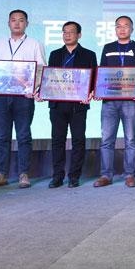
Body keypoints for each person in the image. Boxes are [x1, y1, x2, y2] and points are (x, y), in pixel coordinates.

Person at [0, 9, 46, 189]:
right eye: (13, 20)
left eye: (21, 20)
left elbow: (41, 68)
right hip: (1, 97)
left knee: (23, 135)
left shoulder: (35, 44)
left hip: (23, 97)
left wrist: (33, 88)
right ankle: (1, 174)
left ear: (27, 23)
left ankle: (24, 174)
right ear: (8, 23)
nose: (17, 23)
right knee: (1, 136)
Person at [93, 15, 135, 188]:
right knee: (106, 139)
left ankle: (130, 175)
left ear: (132, 29)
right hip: (109, 101)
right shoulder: (108, 48)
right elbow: (102, 72)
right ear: (115, 29)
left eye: (126, 26)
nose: (122, 29)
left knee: (131, 139)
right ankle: (106, 175)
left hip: (131, 101)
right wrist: (98, 89)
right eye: (119, 26)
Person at [45, 21, 97, 188]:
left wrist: (90, 92)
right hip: (57, 105)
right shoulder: (54, 54)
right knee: (57, 141)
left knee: (78, 141)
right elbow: (50, 78)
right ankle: (57, 176)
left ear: (79, 35)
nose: (67, 35)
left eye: (71, 32)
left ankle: (74, 176)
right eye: (64, 32)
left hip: (78, 105)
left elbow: (93, 79)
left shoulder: (89, 55)